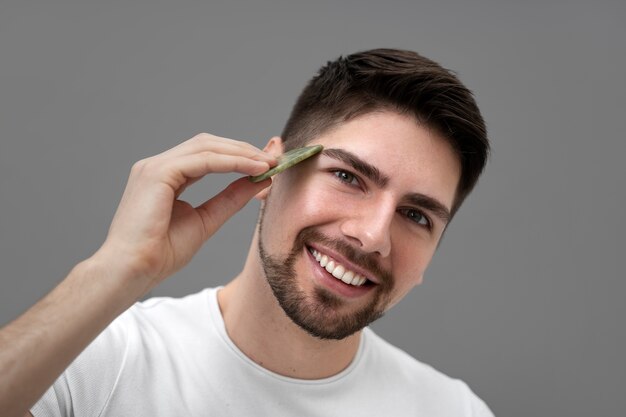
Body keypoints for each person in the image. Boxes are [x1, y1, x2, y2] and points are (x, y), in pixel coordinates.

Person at [0, 48, 494, 416]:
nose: (372, 236)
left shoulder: (452, 410)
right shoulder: (100, 363)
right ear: (270, 172)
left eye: (417, 216)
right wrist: (117, 268)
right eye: (347, 177)